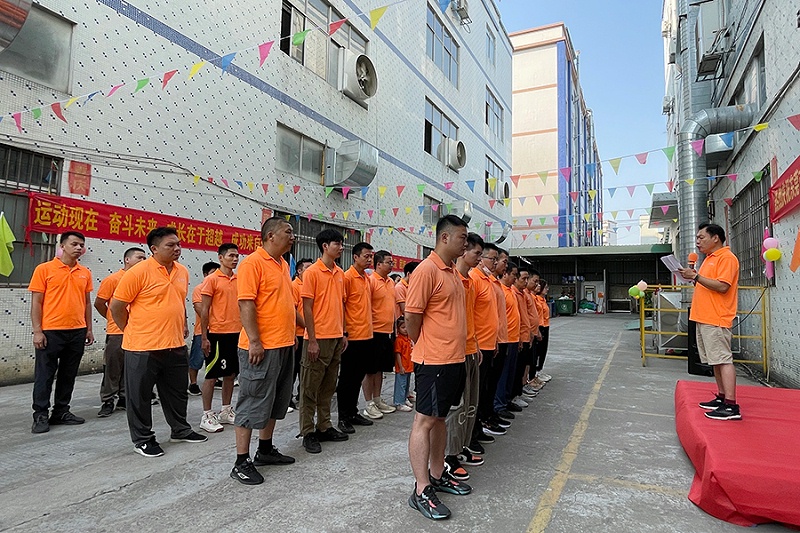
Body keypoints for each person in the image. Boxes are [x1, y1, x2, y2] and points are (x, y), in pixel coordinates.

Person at [111, 227, 207, 457]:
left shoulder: (182, 271)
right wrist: (130, 330)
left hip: (174, 344)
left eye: (178, 244)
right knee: (140, 396)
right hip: (142, 347)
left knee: (176, 392)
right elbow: (116, 307)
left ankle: (180, 429)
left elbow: (176, 300)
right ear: (154, 249)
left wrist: (182, 322)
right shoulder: (138, 272)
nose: (177, 249)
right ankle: (143, 439)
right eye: (170, 245)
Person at [406, 214, 471, 521]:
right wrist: (423, 346)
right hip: (434, 361)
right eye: (462, 238)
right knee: (424, 421)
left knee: (440, 419)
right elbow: (412, 317)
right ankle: (420, 489)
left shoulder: (453, 273)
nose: (466, 243)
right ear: (445, 238)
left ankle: (436, 473)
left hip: (454, 359)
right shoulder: (427, 270)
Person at [230, 217, 301, 485]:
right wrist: (255, 341)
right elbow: (246, 304)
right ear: (270, 235)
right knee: (252, 400)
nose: (292, 236)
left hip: (283, 345)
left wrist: (292, 335)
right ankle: (240, 461)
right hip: (261, 347)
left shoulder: (283, 264)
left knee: (275, 400)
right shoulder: (252, 263)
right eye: (288, 232)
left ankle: (265, 449)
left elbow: (283, 305)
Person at [29, 231, 95, 434]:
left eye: (81, 245)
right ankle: (40, 414)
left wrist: (89, 328)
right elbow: (37, 302)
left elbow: (86, 303)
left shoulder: (85, 272)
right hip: (51, 332)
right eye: (74, 244)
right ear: (62, 245)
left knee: (68, 374)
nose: (78, 248)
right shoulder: (44, 269)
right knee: (45, 374)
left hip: (77, 331)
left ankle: (61, 411)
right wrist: (37, 331)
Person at [678, 223, 741, 421]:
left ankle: (731, 405)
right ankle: (722, 397)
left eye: (701, 237)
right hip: (704, 316)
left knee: (723, 359)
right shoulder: (708, 260)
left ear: (716, 238)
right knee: (714, 361)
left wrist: (696, 276)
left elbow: (722, 287)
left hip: (717, 317)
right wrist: (694, 276)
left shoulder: (726, 258)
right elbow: (706, 283)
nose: (697, 242)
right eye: (697, 238)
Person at [299, 229, 349, 454]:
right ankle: (308, 431)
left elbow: (341, 305)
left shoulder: (340, 273)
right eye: (336, 243)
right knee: (310, 388)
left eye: (341, 243)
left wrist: (344, 333)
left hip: (336, 337)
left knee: (328, 386)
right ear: (324, 246)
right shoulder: (311, 273)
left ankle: (324, 425)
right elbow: (307, 307)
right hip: (317, 339)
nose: (340, 247)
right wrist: (311, 339)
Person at [444, 232, 485, 482]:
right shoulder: (451, 279)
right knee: (455, 407)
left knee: (470, 403)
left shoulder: (469, 281)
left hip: (471, 349)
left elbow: (471, 319)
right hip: (454, 352)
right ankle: (449, 456)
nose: (479, 258)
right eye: (476, 253)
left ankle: (461, 446)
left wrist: (476, 342)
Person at [95, 247, 147, 417]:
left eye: (145, 258)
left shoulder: (143, 278)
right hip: (117, 331)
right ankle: (108, 399)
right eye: (139, 257)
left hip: (137, 332)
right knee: (113, 367)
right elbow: (99, 303)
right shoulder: (113, 279)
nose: (143, 261)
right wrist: (113, 319)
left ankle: (124, 398)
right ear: (127, 260)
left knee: (131, 367)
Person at [199, 243, 241, 433]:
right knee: (211, 375)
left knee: (230, 374)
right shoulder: (212, 280)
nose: (234, 259)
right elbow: (204, 310)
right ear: (220, 258)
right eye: (231, 255)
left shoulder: (240, 279)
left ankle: (225, 410)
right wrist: (204, 337)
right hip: (216, 334)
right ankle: (207, 414)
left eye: (237, 256)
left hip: (236, 333)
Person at [336, 243, 376, 432]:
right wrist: (344, 332)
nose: (369, 259)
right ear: (355, 257)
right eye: (366, 256)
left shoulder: (366, 278)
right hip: (352, 336)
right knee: (347, 379)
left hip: (367, 335)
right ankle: (343, 416)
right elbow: (341, 307)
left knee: (358, 376)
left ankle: (353, 411)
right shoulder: (347, 277)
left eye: (371, 257)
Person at [469, 242, 501, 449]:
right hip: (478, 347)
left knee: (484, 391)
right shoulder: (474, 279)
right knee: (474, 395)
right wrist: (477, 343)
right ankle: (470, 435)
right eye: (492, 258)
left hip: (489, 344)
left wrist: (495, 340)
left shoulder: (488, 280)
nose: (495, 263)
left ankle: (478, 427)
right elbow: (469, 314)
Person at [364, 250, 397, 417]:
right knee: (370, 369)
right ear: (378, 264)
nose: (391, 265)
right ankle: (368, 402)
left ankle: (377, 399)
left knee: (380, 369)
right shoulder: (371, 281)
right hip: (373, 331)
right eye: (388, 262)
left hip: (387, 331)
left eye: (392, 263)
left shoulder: (391, 282)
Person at [188, 262, 219, 396]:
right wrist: (218, 318)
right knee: (197, 358)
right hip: (202, 331)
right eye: (213, 273)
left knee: (214, 357)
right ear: (206, 275)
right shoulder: (199, 289)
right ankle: (193, 383)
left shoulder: (219, 288)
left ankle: (215, 378)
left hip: (218, 330)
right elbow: (200, 309)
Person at [495, 262, 521, 417]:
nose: (515, 278)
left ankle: (506, 399)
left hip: (513, 338)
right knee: (502, 375)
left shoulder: (510, 291)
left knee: (510, 373)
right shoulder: (501, 291)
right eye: (513, 275)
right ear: (505, 274)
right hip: (504, 339)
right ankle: (498, 405)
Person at [290, 258, 313, 411]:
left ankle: (302, 395)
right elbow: (292, 310)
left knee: (305, 369)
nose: (310, 270)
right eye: (307, 268)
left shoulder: (310, 284)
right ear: (299, 271)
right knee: (292, 370)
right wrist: (308, 326)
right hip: (297, 334)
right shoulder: (294, 286)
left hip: (308, 334)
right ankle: (287, 399)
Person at [531, 279, 551, 388]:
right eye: (545, 287)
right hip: (539, 327)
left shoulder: (542, 300)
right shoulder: (536, 299)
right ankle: (535, 373)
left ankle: (539, 371)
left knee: (543, 350)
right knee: (538, 352)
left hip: (545, 326)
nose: (547, 289)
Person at [392, 316, 413, 411]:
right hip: (402, 366)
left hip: (408, 365)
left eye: (406, 327)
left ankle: (404, 398)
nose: (405, 330)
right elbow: (398, 354)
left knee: (406, 383)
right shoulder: (399, 340)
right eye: (403, 327)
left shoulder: (408, 338)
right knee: (401, 384)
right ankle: (399, 402)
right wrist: (400, 366)